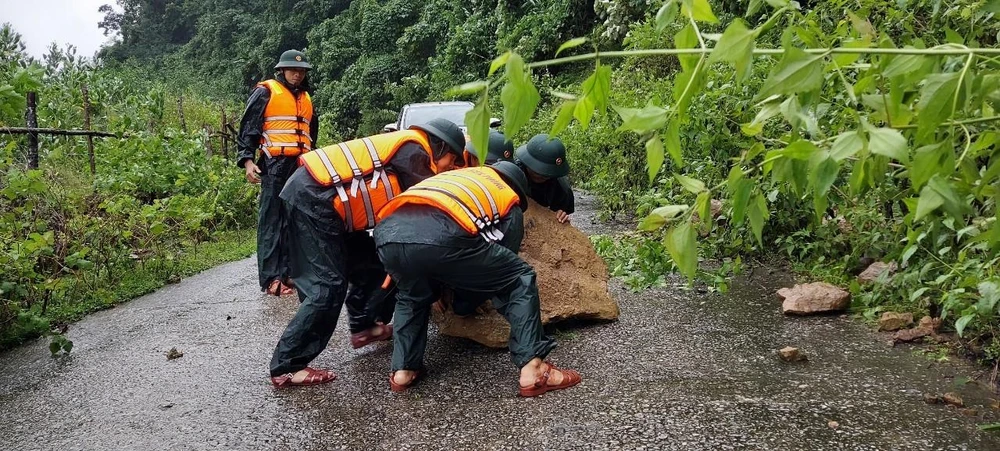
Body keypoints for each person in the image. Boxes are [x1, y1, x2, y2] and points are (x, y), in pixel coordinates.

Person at [268, 118, 466, 388]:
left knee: (377, 260)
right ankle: (288, 365)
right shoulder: (414, 152)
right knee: (328, 286)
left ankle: (365, 326)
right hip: (313, 199)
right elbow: (427, 213)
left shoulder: (409, 147)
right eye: (451, 162)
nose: (448, 169)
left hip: (329, 207)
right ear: (441, 147)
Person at [373, 161, 582, 397]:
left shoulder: (461, 177)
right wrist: (464, 303)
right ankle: (533, 369)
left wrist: (434, 287)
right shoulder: (507, 197)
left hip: (386, 235)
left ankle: (403, 370)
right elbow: (498, 268)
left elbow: (421, 236)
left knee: (411, 296)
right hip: (440, 236)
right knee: (518, 276)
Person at [236, 49, 318, 296]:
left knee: (295, 220)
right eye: (293, 70)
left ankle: (289, 273)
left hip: (299, 165)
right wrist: (248, 161)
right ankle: (271, 279)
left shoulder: (306, 98)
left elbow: (310, 134)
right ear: (282, 70)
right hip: (273, 164)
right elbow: (248, 128)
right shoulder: (265, 92)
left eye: (301, 71)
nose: (297, 74)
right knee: (272, 220)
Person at [513, 134, 575, 224]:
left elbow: (563, 214)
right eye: (538, 171)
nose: (543, 176)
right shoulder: (512, 174)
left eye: (548, 173)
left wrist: (561, 215)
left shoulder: (562, 189)